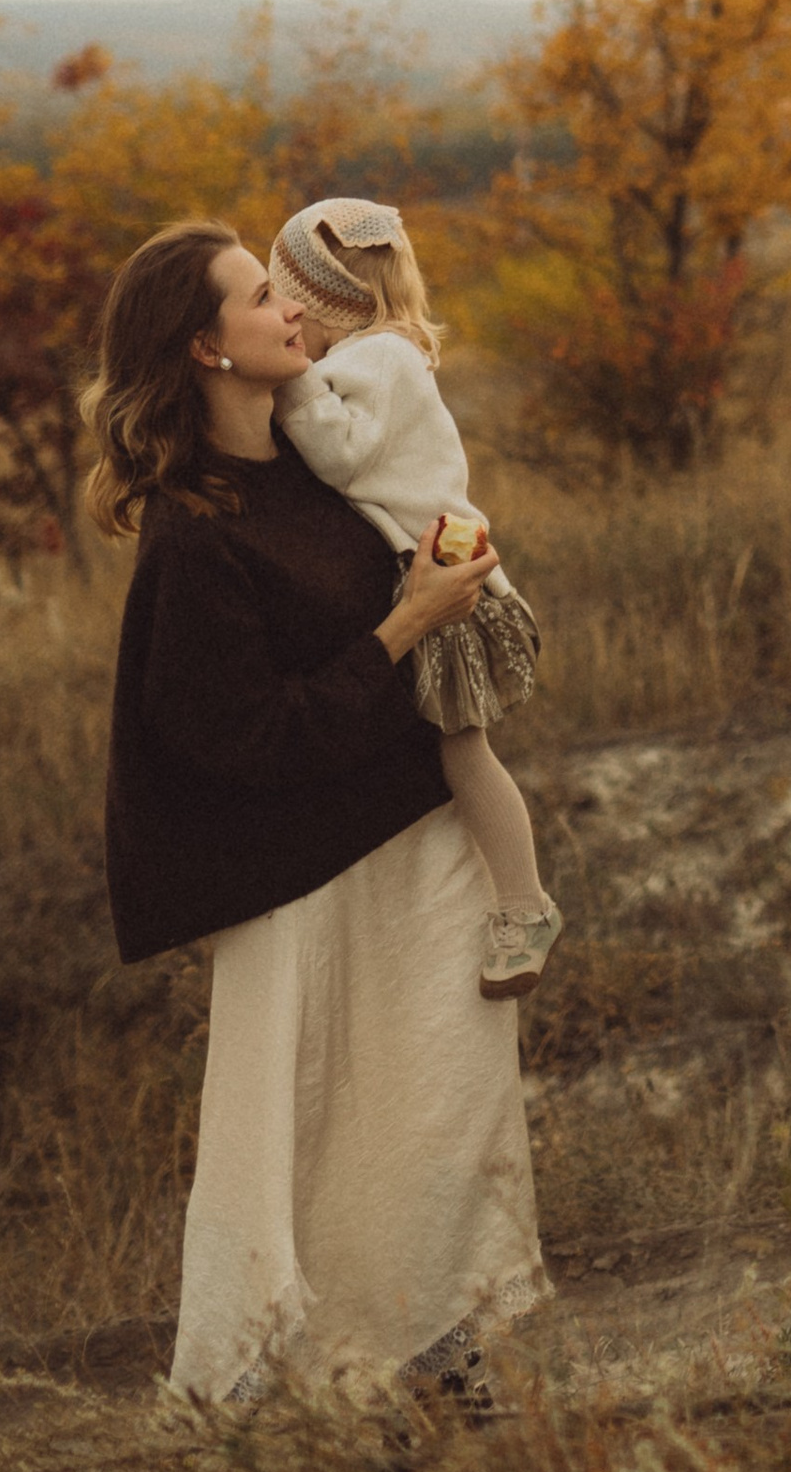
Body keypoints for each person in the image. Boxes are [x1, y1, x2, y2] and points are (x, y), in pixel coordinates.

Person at [90, 221, 546, 1405]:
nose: (291, 308)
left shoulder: (323, 473)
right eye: (259, 298)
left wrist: (450, 579)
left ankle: (436, 1374)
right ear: (206, 348)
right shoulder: (193, 539)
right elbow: (251, 742)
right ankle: (287, 1396)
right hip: (298, 886)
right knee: (298, 1152)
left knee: (440, 1118)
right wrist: (409, 624)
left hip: (417, 846)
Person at [269, 197, 562, 1002]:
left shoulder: (378, 360)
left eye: (288, 304)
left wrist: (290, 381)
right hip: (431, 577)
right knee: (444, 752)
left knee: (463, 752)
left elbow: (340, 456)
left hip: (443, 584)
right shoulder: (383, 354)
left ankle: (525, 906)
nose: (285, 324)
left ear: (327, 305)